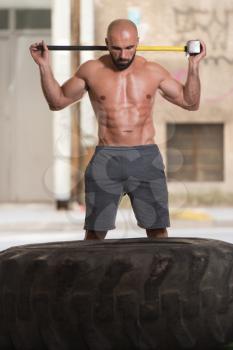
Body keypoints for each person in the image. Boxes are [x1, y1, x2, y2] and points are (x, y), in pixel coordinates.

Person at [29, 19, 206, 240]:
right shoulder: (91, 70)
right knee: (94, 235)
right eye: (116, 48)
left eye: (129, 47)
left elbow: (190, 103)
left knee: (158, 232)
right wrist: (44, 66)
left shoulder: (153, 71)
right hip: (106, 159)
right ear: (106, 43)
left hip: (145, 159)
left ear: (138, 43)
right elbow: (57, 101)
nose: (123, 55)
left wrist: (194, 65)